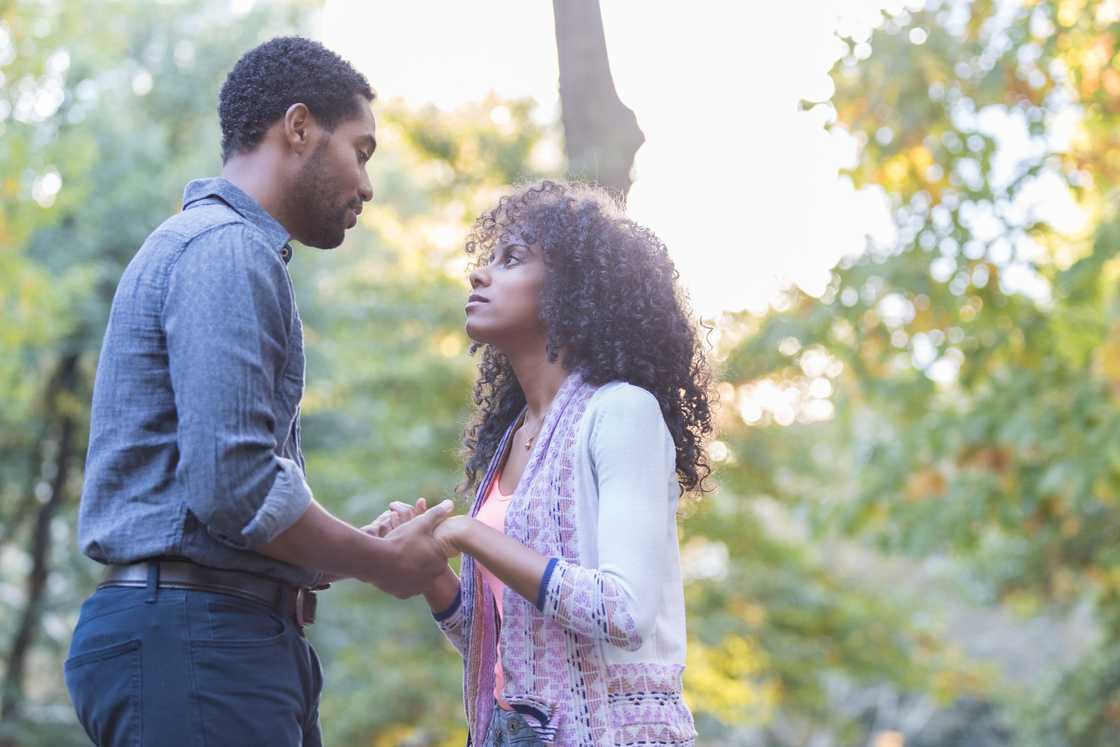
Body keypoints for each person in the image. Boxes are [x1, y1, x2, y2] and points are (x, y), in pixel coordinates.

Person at [64, 37, 451, 747]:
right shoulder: (227, 250)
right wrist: (381, 562)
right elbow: (235, 485)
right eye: (362, 151)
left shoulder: (218, 250)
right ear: (298, 126)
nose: (367, 186)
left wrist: (346, 547)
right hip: (199, 640)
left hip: (214, 638)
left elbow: (228, 494)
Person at [380, 180, 712, 745]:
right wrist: (434, 571)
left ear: (573, 289)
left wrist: (465, 533)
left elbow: (622, 611)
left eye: (511, 259)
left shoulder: (621, 412)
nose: (479, 275)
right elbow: (510, 644)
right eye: (486, 260)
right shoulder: (513, 441)